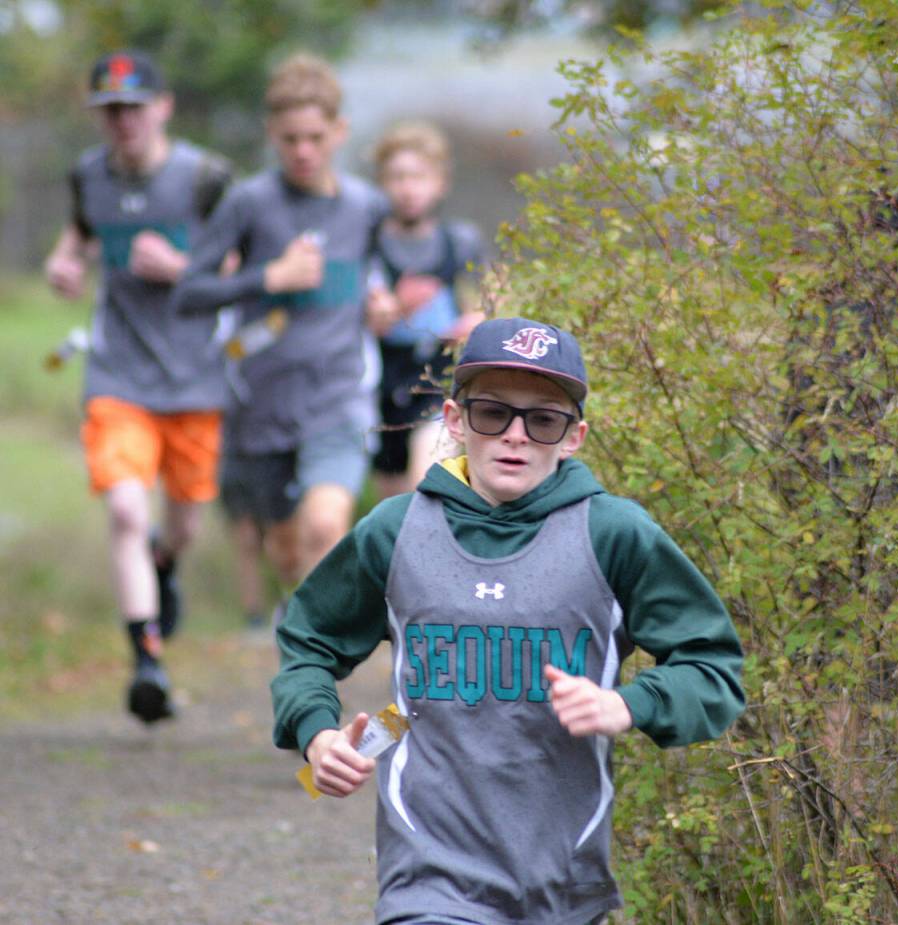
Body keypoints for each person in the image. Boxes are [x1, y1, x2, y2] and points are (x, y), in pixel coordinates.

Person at [271, 316, 746, 925]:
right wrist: (318, 734)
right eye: (493, 412)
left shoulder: (613, 534)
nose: (515, 436)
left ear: (573, 436)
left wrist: (629, 705)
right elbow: (308, 642)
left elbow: (714, 670)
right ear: (454, 420)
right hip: (427, 876)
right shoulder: (395, 531)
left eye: (543, 419)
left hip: (564, 882)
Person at [44, 50, 232, 724]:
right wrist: (65, 264)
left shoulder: (206, 177)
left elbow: (240, 271)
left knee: (182, 522)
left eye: (132, 107)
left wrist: (182, 266)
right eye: (109, 110)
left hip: (194, 376)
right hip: (117, 372)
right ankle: (146, 660)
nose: (121, 121)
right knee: (126, 509)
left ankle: (166, 563)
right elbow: (81, 234)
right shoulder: (87, 176)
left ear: (163, 106)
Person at [173, 53, 389, 614]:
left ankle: (318, 668)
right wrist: (269, 276)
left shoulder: (366, 207)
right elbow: (189, 291)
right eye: (290, 138)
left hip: (336, 398)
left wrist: (383, 305)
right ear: (272, 133)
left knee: (326, 526)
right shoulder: (249, 202)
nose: (303, 151)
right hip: (262, 405)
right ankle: (302, 629)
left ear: (339, 132)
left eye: (316, 137)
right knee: (288, 553)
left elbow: (379, 277)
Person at [365, 120, 487, 498]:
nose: (408, 188)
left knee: (427, 484)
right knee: (398, 505)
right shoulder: (368, 244)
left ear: (440, 183)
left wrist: (472, 325)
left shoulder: (460, 243)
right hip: (383, 388)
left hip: (438, 381)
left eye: (418, 176)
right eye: (397, 177)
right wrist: (393, 309)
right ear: (383, 183)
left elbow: (492, 305)